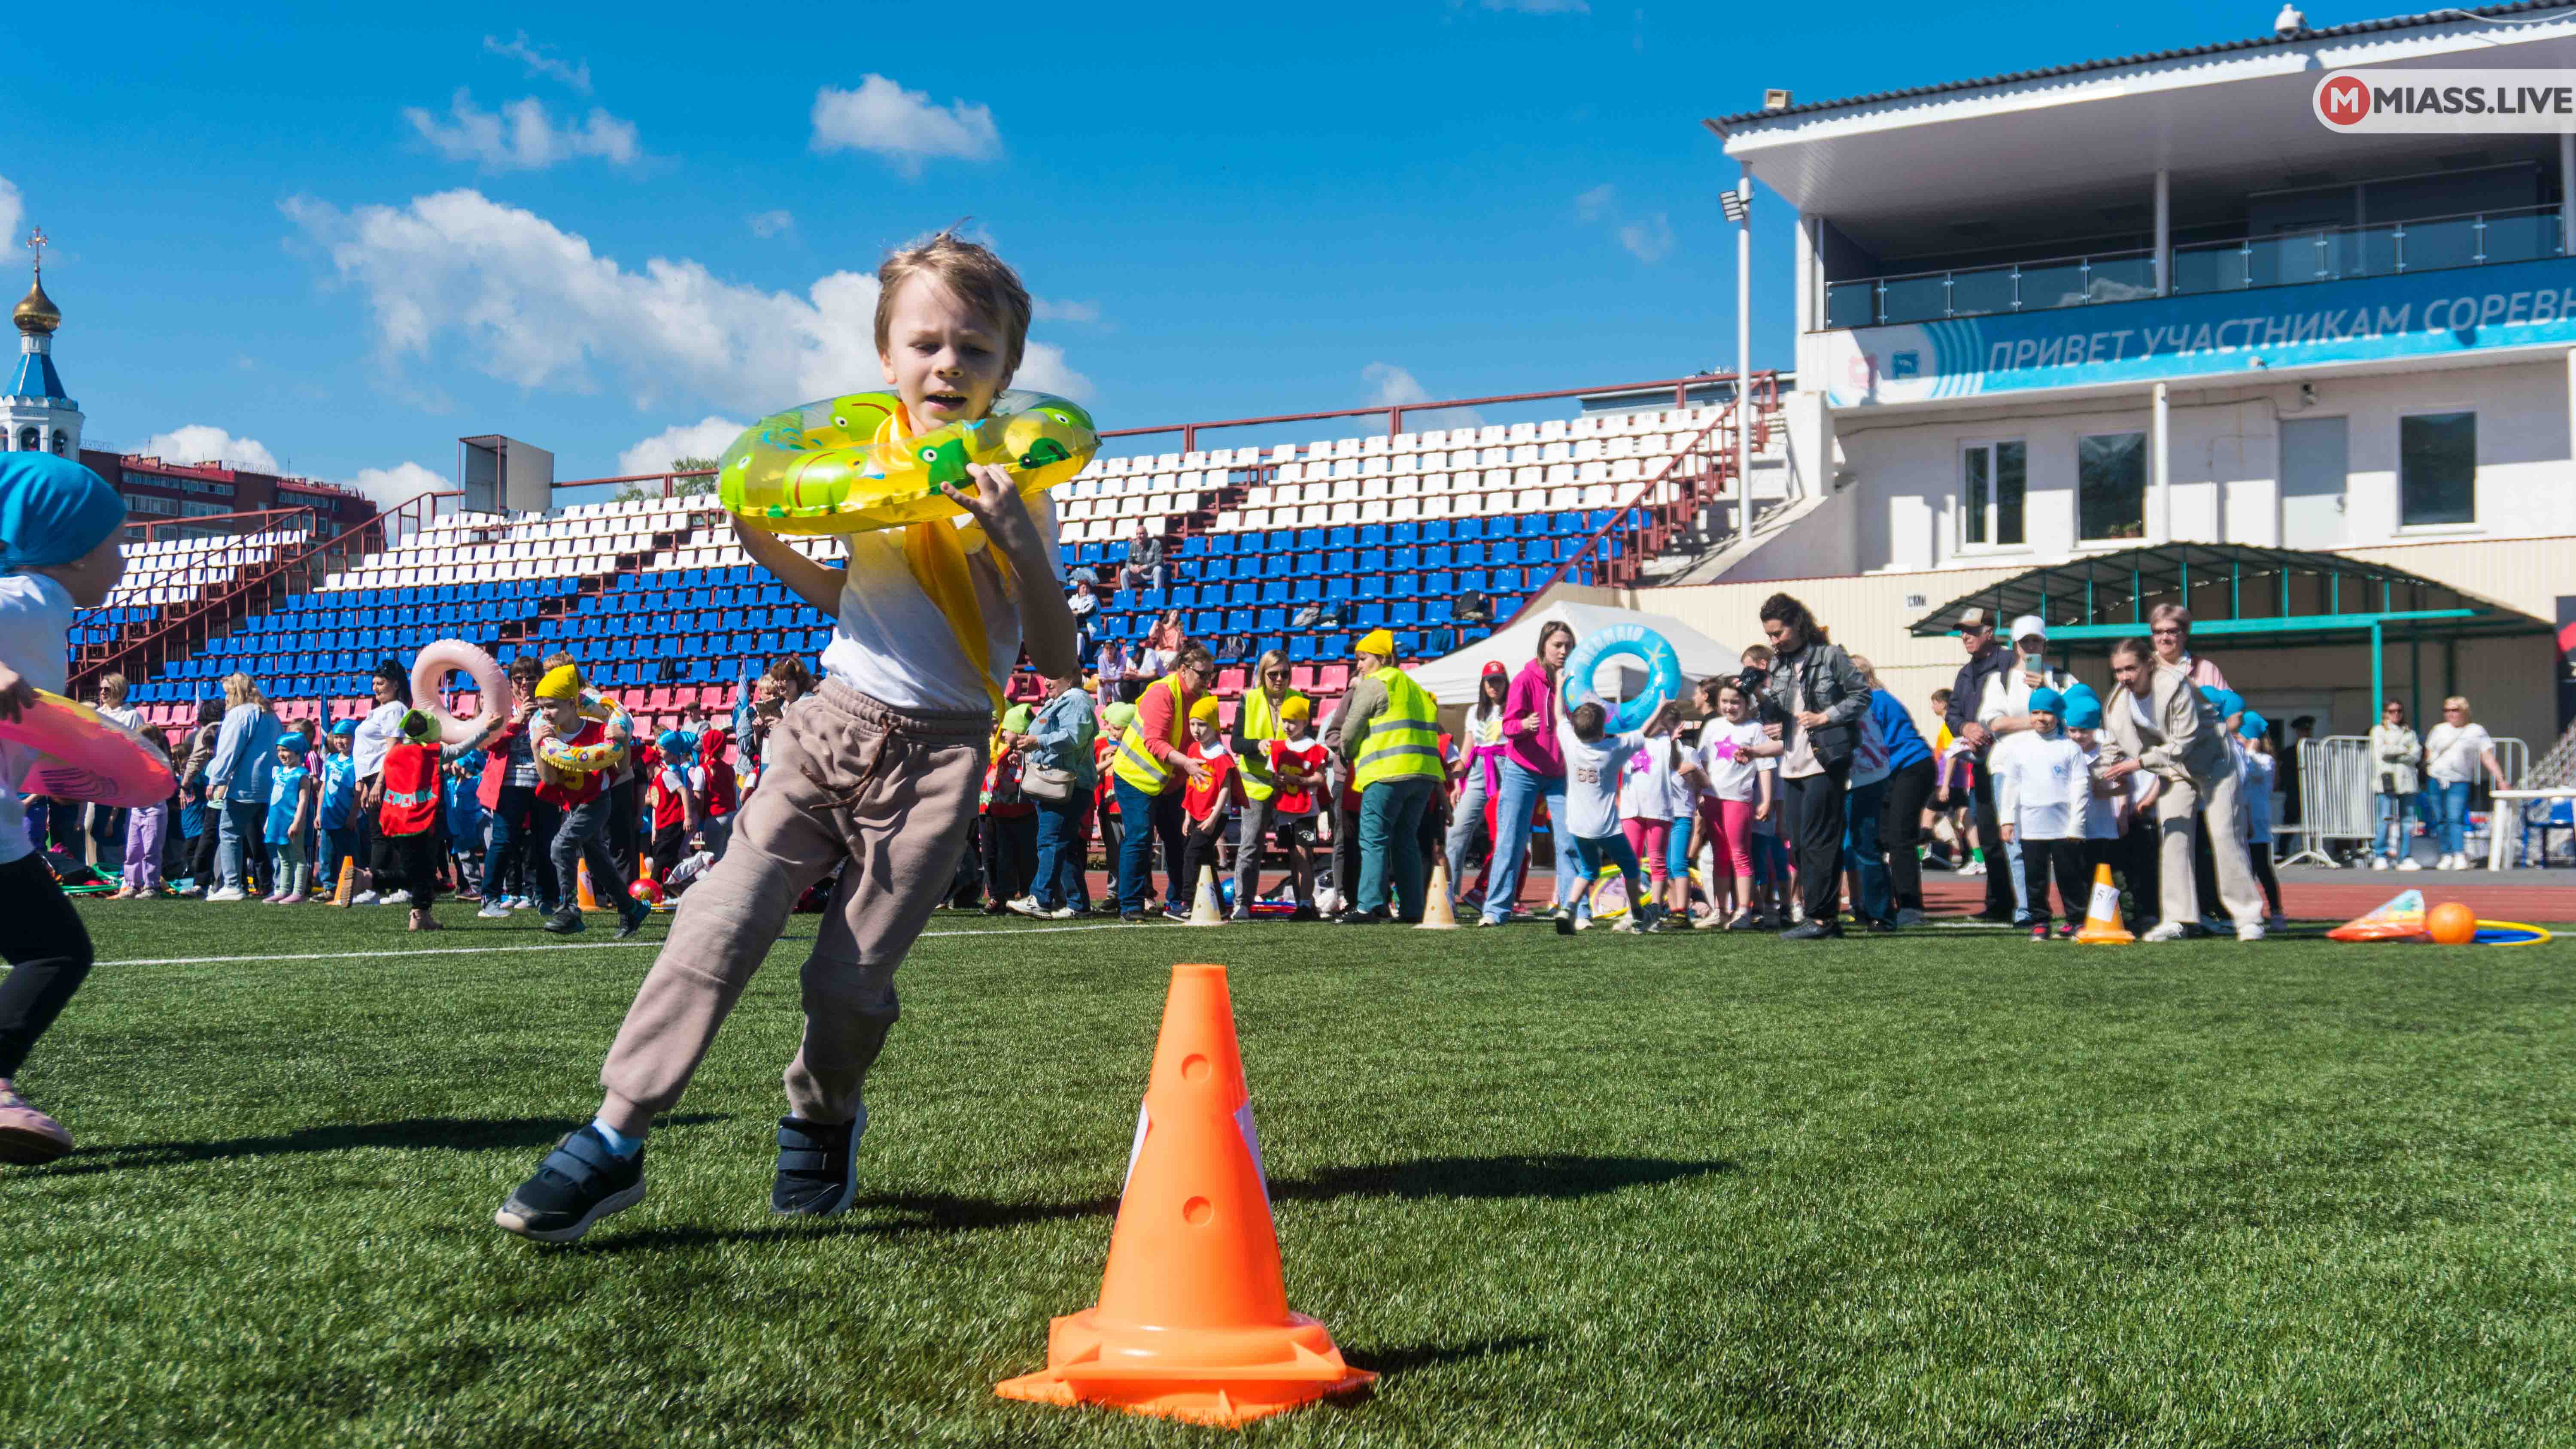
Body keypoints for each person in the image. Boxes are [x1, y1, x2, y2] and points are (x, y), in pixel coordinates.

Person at [496, 231, 1078, 1241]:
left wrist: (1020, 543)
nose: (949, 364)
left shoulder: (1017, 486)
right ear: (886, 359)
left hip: (942, 751)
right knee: (718, 917)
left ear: (1009, 371)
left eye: (975, 350)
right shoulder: (861, 471)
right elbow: (855, 597)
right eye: (927, 343)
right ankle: (615, 1135)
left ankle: (822, 1111)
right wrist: (765, 543)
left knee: (848, 980)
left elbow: (1057, 655)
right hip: (830, 726)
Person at [0, 452, 128, 1164]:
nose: (125, 557)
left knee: (51, 948)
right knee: (54, 949)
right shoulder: (20, 600)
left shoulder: (42, 607)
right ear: (76, 552)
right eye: (116, 542)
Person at [2093, 637, 2266, 941]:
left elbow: (2183, 743)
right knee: (2173, 834)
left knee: (2225, 835)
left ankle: (2248, 918)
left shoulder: (2176, 687)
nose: (2124, 678)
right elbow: (2112, 744)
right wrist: (2103, 774)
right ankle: (2178, 919)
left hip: (2215, 764)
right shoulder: (2119, 701)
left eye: (2130, 669)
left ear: (2148, 664)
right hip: (2174, 769)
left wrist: (2137, 764)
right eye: (2118, 671)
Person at [1755, 593, 1871, 940]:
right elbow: (1777, 712)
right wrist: (1770, 717)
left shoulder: (1830, 656)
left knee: (1819, 840)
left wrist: (1826, 716)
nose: (1774, 641)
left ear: (1798, 624)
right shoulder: (1777, 665)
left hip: (1825, 759)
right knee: (1800, 844)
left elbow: (1862, 695)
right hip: (1791, 762)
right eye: (1769, 635)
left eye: (1778, 633)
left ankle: (1821, 918)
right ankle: (1823, 917)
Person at [1327, 629, 1444, 925]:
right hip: (1424, 777)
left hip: (1387, 774)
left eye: (1363, 659)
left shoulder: (1374, 685)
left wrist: (1346, 751)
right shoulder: (1415, 688)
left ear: (1382, 659)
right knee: (1406, 840)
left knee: (1373, 839)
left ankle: (1369, 906)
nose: (1359, 665)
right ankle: (1412, 909)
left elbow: (1350, 731)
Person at [531, 665, 650, 939]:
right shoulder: (550, 737)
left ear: (573, 704)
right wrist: (538, 748)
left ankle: (569, 909)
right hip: (572, 805)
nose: (545, 713)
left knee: (562, 845)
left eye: (551, 706)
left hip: (597, 801)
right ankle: (631, 909)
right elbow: (549, 779)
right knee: (597, 862)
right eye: (541, 707)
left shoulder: (600, 730)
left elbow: (621, 769)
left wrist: (625, 742)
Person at [1480, 620, 1579, 926]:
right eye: (1558, 645)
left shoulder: (1576, 682)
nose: (1563, 651)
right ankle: (1495, 911)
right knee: (1510, 840)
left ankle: (1576, 911)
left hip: (1560, 772)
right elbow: (1508, 726)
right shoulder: (1524, 679)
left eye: (1568, 646)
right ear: (1543, 647)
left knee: (1569, 843)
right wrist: (1523, 727)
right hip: (1522, 770)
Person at [1556, 700, 1680, 934]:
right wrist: (1660, 707)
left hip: (1577, 826)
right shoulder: (1612, 752)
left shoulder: (1571, 745)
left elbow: (1558, 716)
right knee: (1632, 869)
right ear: (1604, 731)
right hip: (1606, 829)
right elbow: (1643, 732)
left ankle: (1568, 908)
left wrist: (1561, 684)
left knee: (1588, 870)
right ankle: (1636, 912)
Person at [1110, 642, 1212, 919]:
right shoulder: (1163, 692)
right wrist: (1188, 764)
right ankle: (1130, 904)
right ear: (1183, 669)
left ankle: (1179, 901)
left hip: (1171, 781)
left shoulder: (1202, 699)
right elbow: (1154, 743)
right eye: (1202, 674)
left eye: (1210, 675)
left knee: (1177, 839)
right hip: (1135, 777)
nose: (1207, 681)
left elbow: (1206, 739)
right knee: (1140, 837)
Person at [1681, 676, 1777, 930]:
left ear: (1746, 703)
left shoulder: (1755, 729)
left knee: (1740, 855)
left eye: (1735, 702)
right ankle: (1720, 910)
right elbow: (1701, 763)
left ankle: (1744, 910)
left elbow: (1766, 767)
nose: (1730, 707)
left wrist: (1766, 800)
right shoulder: (1712, 726)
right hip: (1713, 798)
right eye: (1725, 701)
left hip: (1739, 800)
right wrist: (1700, 794)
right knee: (1719, 855)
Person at [1941, 609, 2017, 922]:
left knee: (2019, 835)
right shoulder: (1965, 674)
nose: (1965, 636)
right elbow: (1953, 714)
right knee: (1988, 835)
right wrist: (1966, 729)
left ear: (1990, 631)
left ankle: (2031, 906)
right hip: (1984, 767)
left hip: (2014, 764)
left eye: (1971, 631)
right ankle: (2000, 905)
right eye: (1962, 631)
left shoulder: (2012, 663)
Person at [1994, 688, 2087, 941]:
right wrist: (2007, 820)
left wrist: (2076, 824)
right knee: (2035, 877)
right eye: (2036, 712)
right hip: (2031, 826)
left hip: (2064, 827)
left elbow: (2081, 787)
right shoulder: (2020, 749)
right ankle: (2040, 922)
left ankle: (2075, 921)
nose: (2041, 718)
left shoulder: (2070, 748)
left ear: (2058, 716)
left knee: (2070, 875)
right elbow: (2010, 786)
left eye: (2047, 712)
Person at [1856, 657, 1938, 926]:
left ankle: (1911, 907)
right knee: (1883, 836)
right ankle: (1884, 903)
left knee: (1900, 836)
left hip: (1911, 766)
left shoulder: (1873, 701)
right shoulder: (1876, 699)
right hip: (1896, 769)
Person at [475, 655, 557, 916]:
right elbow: (488, 743)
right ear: (511, 682)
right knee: (503, 841)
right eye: (518, 679)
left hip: (543, 783)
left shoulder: (550, 705)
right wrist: (518, 720)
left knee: (547, 843)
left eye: (531, 678)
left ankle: (547, 898)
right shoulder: (501, 706)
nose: (524, 683)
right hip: (508, 785)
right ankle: (489, 899)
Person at [1228, 650, 1305, 921]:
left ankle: (1305, 904)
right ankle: (1242, 904)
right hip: (1257, 783)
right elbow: (1236, 743)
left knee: (1299, 846)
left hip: (1291, 784)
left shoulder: (1300, 699)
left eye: (1285, 673)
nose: (1280, 679)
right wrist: (1256, 745)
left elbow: (1308, 741)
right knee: (1251, 844)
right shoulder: (1248, 700)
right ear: (1263, 675)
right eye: (1273, 674)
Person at [1016, 669, 1097, 919]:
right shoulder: (1063, 701)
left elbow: (1073, 737)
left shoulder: (1075, 700)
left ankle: (1040, 899)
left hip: (1066, 784)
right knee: (1066, 845)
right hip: (1061, 782)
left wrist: (1036, 743)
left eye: (1052, 676)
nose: (1046, 682)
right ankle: (1078, 904)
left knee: (1050, 841)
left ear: (1071, 677)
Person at [205, 672, 283, 901]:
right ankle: (282, 885)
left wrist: (216, 779)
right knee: (273, 837)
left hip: (245, 787)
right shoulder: (270, 715)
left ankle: (232, 884)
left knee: (229, 833)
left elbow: (229, 750)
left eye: (228, 693)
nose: (225, 698)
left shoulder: (239, 714)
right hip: (271, 785)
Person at [373, 709, 449, 931]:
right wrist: (487, 730)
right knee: (420, 872)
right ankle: (368, 879)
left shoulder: (395, 752)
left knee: (421, 870)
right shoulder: (432, 753)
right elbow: (465, 747)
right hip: (421, 819)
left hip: (396, 818)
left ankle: (420, 917)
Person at [1445, 661, 1510, 908]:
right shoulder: (1474, 711)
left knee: (1506, 835)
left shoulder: (1514, 707)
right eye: (1490, 681)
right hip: (1478, 770)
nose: (1495, 686)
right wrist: (1458, 784)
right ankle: (1448, 897)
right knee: (1456, 831)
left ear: (1506, 682)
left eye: (1499, 680)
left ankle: (1494, 896)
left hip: (1506, 768)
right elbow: (1466, 749)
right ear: (1483, 684)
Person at [348, 660, 413, 905]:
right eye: (374, 683)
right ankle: (397, 885)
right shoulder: (379, 710)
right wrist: (364, 784)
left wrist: (377, 784)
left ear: (395, 685)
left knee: (382, 834)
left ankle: (375, 885)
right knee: (382, 834)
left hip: (385, 777)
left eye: (381, 683)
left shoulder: (395, 709)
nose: (375, 688)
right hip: (373, 778)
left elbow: (392, 750)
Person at [1616, 705, 1683, 931]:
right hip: (1631, 809)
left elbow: (1676, 766)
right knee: (1629, 862)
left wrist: (1674, 741)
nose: (1653, 724)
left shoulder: (1667, 741)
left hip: (1659, 809)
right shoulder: (1631, 738)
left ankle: (1655, 912)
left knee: (1658, 862)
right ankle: (1633, 911)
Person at [2423, 695, 2508, 870]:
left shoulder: (2475, 731)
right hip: (2436, 777)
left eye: (2455, 710)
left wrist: (2501, 779)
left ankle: (2459, 854)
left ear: (2464, 711)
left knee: (2455, 817)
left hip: (2460, 780)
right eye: (2447, 710)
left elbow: (2488, 757)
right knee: (2439, 818)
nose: (2451, 714)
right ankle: (2445, 854)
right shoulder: (2438, 730)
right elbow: (2428, 754)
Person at [1261, 695, 1327, 919]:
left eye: (1293, 721)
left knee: (1303, 855)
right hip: (1284, 809)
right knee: (1294, 856)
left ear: (1305, 722)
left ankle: (1307, 905)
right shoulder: (1278, 748)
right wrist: (1278, 781)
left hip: (1306, 809)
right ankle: (1304, 903)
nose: (1287, 726)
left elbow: (1319, 778)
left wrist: (1296, 780)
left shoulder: (1314, 748)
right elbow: (1272, 779)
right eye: (1284, 720)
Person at [1174, 697, 1239, 913]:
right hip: (1197, 812)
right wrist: (1187, 815)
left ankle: (1189, 902)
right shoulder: (1193, 750)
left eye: (1202, 724)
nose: (1196, 729)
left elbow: (1225, 789)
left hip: (1215, 815)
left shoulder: (1221, 755)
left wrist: (1213, 818)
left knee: (1193, 854)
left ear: (1214, 726)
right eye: (1193, 724)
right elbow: (1191, 786)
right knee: (1204, 858)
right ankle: (1218, 907)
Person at [981, 705, 1039, 913]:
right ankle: (1004, 897)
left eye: (1007, 730)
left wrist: (1017, 785)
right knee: (1003, 858)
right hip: (999, 814)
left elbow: (1037, 779)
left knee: (1027, 858)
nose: (1002, 734)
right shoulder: (1002, 752)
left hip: (1024, 814)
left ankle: (1028, 894)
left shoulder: (1032, 754)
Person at [112, 725, 173, 900]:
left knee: (151, 850)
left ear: (154, 742)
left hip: (154, 811)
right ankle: (132, 884)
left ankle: (151, 886)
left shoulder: (160, 761)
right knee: (133, 850)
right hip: (137, 811)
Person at [2238, 713, 2287, 927]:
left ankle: (2276, 911)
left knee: (2263, 871)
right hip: (2240, 824)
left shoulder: (2264, 762)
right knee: (2244, 873)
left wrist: (2249, 752)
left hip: (2257, 827)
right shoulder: (2242, 757)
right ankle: (2248, 913)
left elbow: (2248, 774)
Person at [262, 731, 318, 904]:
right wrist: (268, 821)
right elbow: (274, 799)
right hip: (277, 821)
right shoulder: (278, 772)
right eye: (279, 750)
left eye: (286, 750)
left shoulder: (301, 775)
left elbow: (303, 801)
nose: (281, 755)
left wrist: (297, 822)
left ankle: (298, 892)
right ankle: (283, 890)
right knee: (283, 857)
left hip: (292, 822)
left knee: (297, 857)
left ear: (297, 752)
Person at [88, 672, 137, 867]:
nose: (102, 693)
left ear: (119, 690)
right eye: (101, 689)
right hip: (99, 779)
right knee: (94, 828)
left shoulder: (131, 716)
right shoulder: (99, 714)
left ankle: (116, 871)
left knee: (114, 829)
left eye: (107, 689)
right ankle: (97, 870)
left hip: (120, 780)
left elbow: (133, 749)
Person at [2369, 699, 2423, 871]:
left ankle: (2405, 856)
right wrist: (2404, 749)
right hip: (2387, 779)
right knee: (2385, 818)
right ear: (2385, 713)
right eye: (2392, 711)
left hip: (2407, 780)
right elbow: (2383, 752)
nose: (2396, 715)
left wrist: (2397, 750)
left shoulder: (2410, 732)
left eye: (2399, 711)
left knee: (2408, 820)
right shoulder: (2379, 731)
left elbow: (2416, 755)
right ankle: (2380, 854)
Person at [648, 729, 706, 882]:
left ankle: (661, 886)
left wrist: (687, 817)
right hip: (669, 820)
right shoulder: (668, 771)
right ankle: (671, 886)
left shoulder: (671, 773)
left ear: (673, 751)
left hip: (674, 820)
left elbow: (684, 793)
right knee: (671, 857)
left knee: (670, 856)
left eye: (663, 749)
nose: (658, 751)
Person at [1126, 523, 1168, 592]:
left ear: (1147, 534)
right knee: (1124, 572)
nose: (1139, 536)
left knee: (1158, 569)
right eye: (1137, 534)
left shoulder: (1156, 543)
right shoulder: (1132, 546)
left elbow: (1159, 561)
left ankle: (1158, 595)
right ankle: (1126, 597)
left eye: (1141, 534)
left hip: (1153, 573)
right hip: (1140, 574)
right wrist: (1132, 567)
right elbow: (1128, 563)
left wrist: (1144, 567)